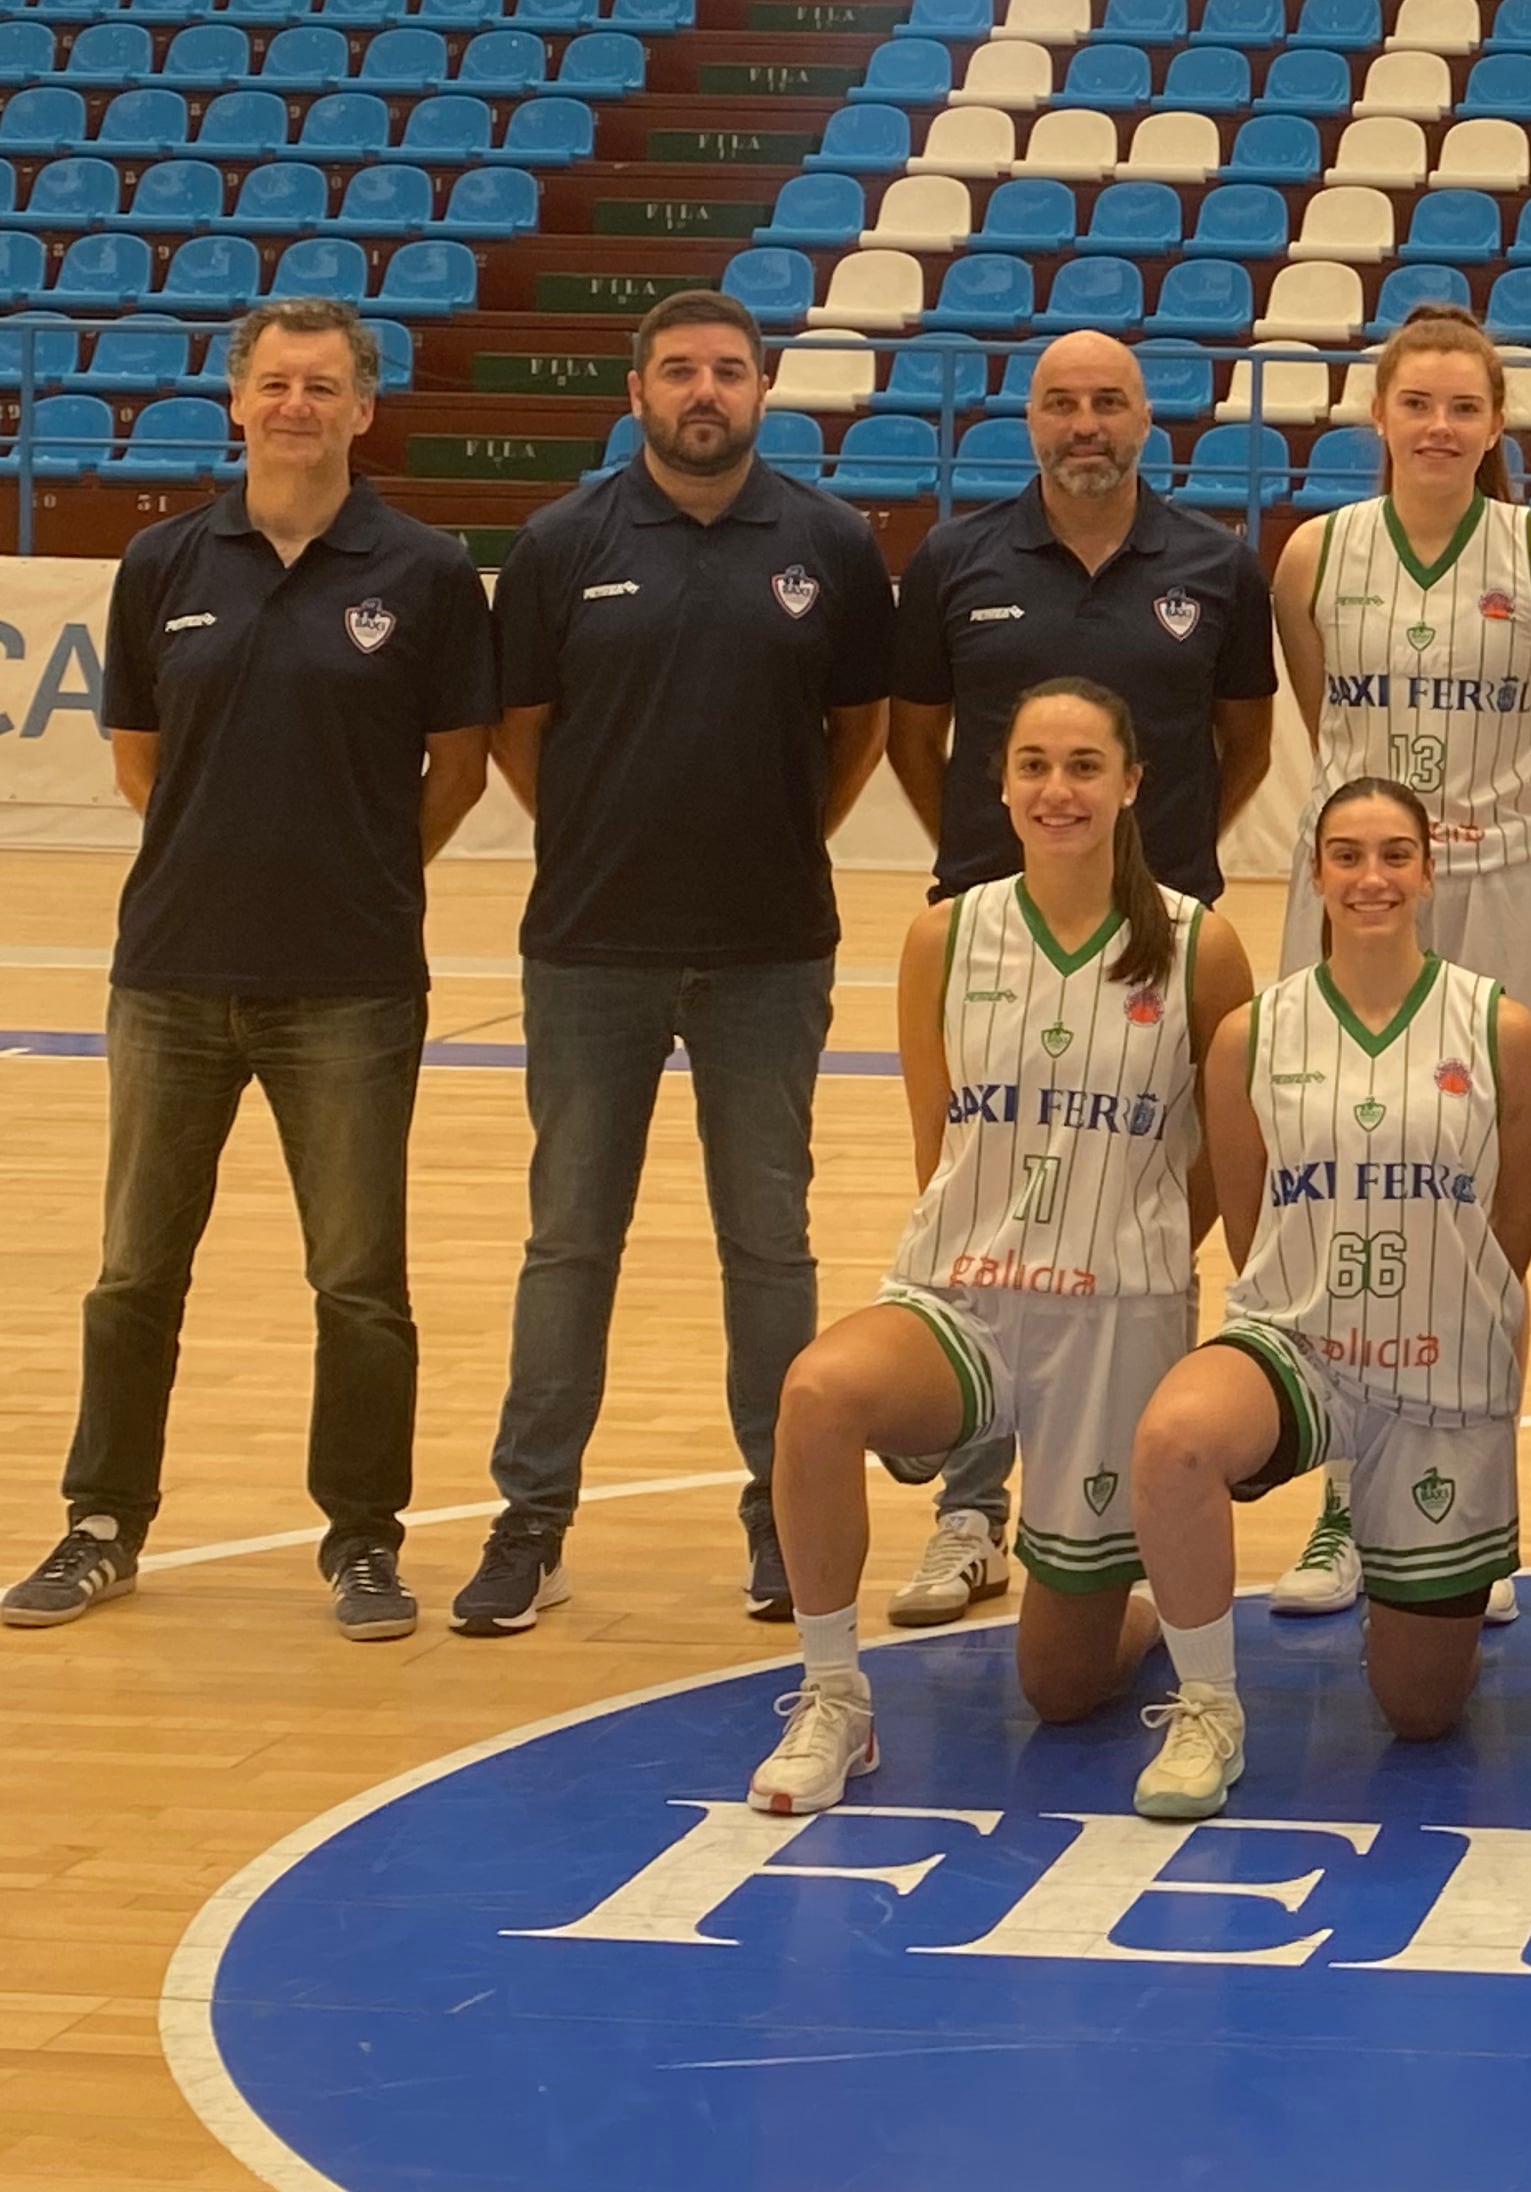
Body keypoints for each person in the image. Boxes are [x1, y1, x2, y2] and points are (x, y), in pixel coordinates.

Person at [5, 300, 493, 1641]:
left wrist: (367, 870)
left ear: (363, 410)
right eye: (274, 383)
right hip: (169, 974)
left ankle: (363, 1541)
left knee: (357, 1279)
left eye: (322, 386)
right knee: (132, 1274)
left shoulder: (427, 569)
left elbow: (456, 769)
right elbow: (137, 755)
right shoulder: (164, 562)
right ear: (235, 403)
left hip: (352, 981)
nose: (296, 406)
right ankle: (103, 1521)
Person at [453, 291, 894, 1639]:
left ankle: (780, 1516)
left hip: (769, 951)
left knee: (768, 1244)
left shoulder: (828, 541)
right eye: (679, 372)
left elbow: (861, 729)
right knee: (569, 1242)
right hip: (592, 949)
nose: (705, 392)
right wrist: (607, 836)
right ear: (637, 389)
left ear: (765, 388)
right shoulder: (557, 542)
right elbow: (520, 730)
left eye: (728, 372)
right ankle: (532, 1524)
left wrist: (766, 836)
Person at [745, 681, 1255, 1815]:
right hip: (962, 1299)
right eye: (1033, 764)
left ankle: (1139, 1605)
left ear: (1131, 783)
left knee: (1062, 1687)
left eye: (1083, 765)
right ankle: (836, 1698)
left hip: (1115, 1320)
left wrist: (1139, 1250)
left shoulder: (1199, 947)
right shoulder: (944, 935)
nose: (1056, 789)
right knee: (819, 1393)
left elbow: (1223, 1152)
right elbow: (940, 1141)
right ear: (1002, 782)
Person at [880, 325, 1279, 1632]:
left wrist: (1168, 870)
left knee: (1147, 1210)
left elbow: (1244, 740)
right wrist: (985, 858)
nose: (1085, 422)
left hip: (1161, 940)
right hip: (998, 935)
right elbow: (916, 735)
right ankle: (966, 1513)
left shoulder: (1218, 566)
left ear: (1146, 418)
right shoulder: (956, 559)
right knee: (983, 1205)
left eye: (1109, 400)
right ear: (1030, 420)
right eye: (1062, 402)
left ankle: (1132, 1496)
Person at [1258, 306, 1531, 1622]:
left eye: (1468, 408)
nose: (1443, 428)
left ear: (1498, 423)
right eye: (1421, 406)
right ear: (1379, 416)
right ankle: (1345, 1502)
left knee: (1481, 1195)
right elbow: (1317, 709)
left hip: (1499, 884)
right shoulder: (1313, 556)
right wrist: (1381, 844)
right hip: (1352, 900)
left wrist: (1480, 815)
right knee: (1339, 1178)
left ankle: (1465, 1501)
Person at [1121, 779, 1531, 1818]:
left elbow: (1514, 1228)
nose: (1373, 878)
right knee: (1177, 1436)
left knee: (1419, 1712)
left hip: (1440, 1374)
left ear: (1428, 871)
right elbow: (1248, 1220)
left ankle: (1409, 1567)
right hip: (1302, 1345)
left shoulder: (1500, 1030)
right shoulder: (1252, 1036)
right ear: (1314, 873)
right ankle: (1208, 1706)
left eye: (1395, 855)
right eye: (1349, 856)